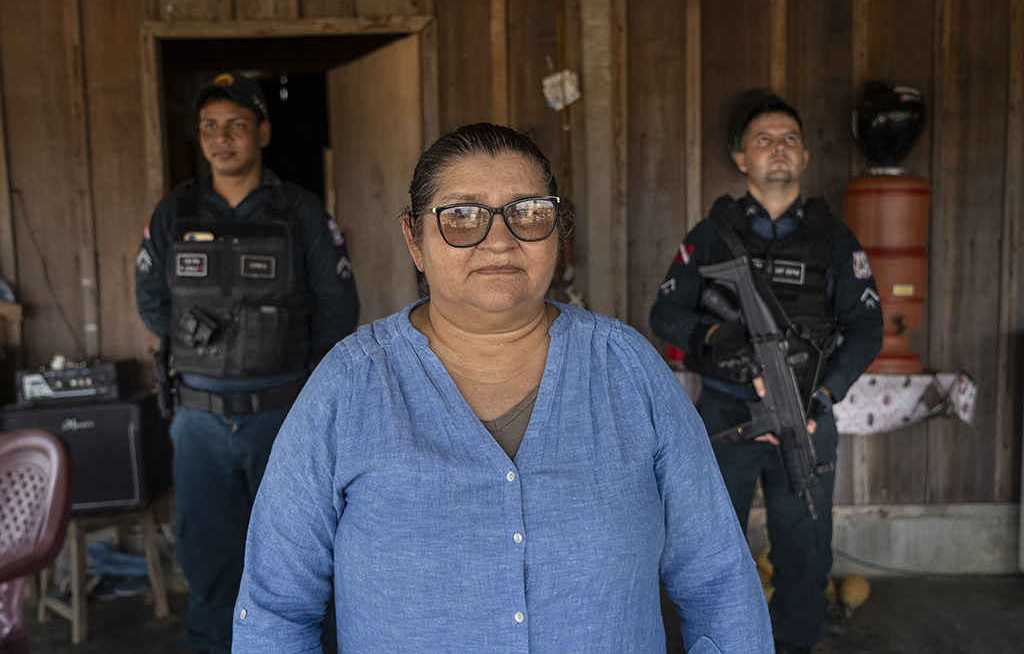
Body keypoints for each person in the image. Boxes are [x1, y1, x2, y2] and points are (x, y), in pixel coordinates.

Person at [232, 123, 772, 652]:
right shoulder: (348, 387)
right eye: (461, 216)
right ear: (414, 239)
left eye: (528, 212)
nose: (499, 240)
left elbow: (719, 579)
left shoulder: (628, 370)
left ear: (558, 229)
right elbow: (274, 609)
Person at [650, 91, 884, 654]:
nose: (778, 149)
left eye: (789, 140)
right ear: (742, 160)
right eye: (764, 139)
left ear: (803, 158)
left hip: (806, 416)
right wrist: (721, 342)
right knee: (707, 549)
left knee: (804, 552)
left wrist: (821, 395)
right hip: (726, 409)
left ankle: (793, 645)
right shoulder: (711, 235)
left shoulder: (835, 239)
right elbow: (667, 313)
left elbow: (867, 328)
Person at [134, 71, 359, 653]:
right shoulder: (176, 210)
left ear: (262, 132)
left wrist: (303, 384)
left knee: (299, 561)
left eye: (236, 124)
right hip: (200, 419)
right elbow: (152, 302)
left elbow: (339, 308)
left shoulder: (300, 211)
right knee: (208, 563)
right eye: (210, 126)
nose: (221, 137)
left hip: (281, 417)